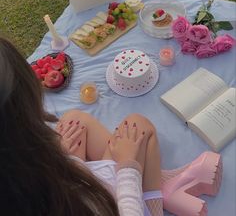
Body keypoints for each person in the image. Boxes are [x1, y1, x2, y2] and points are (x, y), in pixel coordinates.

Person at [0, 36, 222, 216]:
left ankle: (166, 183)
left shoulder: (17, 174)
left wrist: (70, 161)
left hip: (80, 185)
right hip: (118, 204)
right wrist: (128, 165)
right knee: (138, 127)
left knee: (75, 120)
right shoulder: (49, 199)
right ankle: (163, 194)